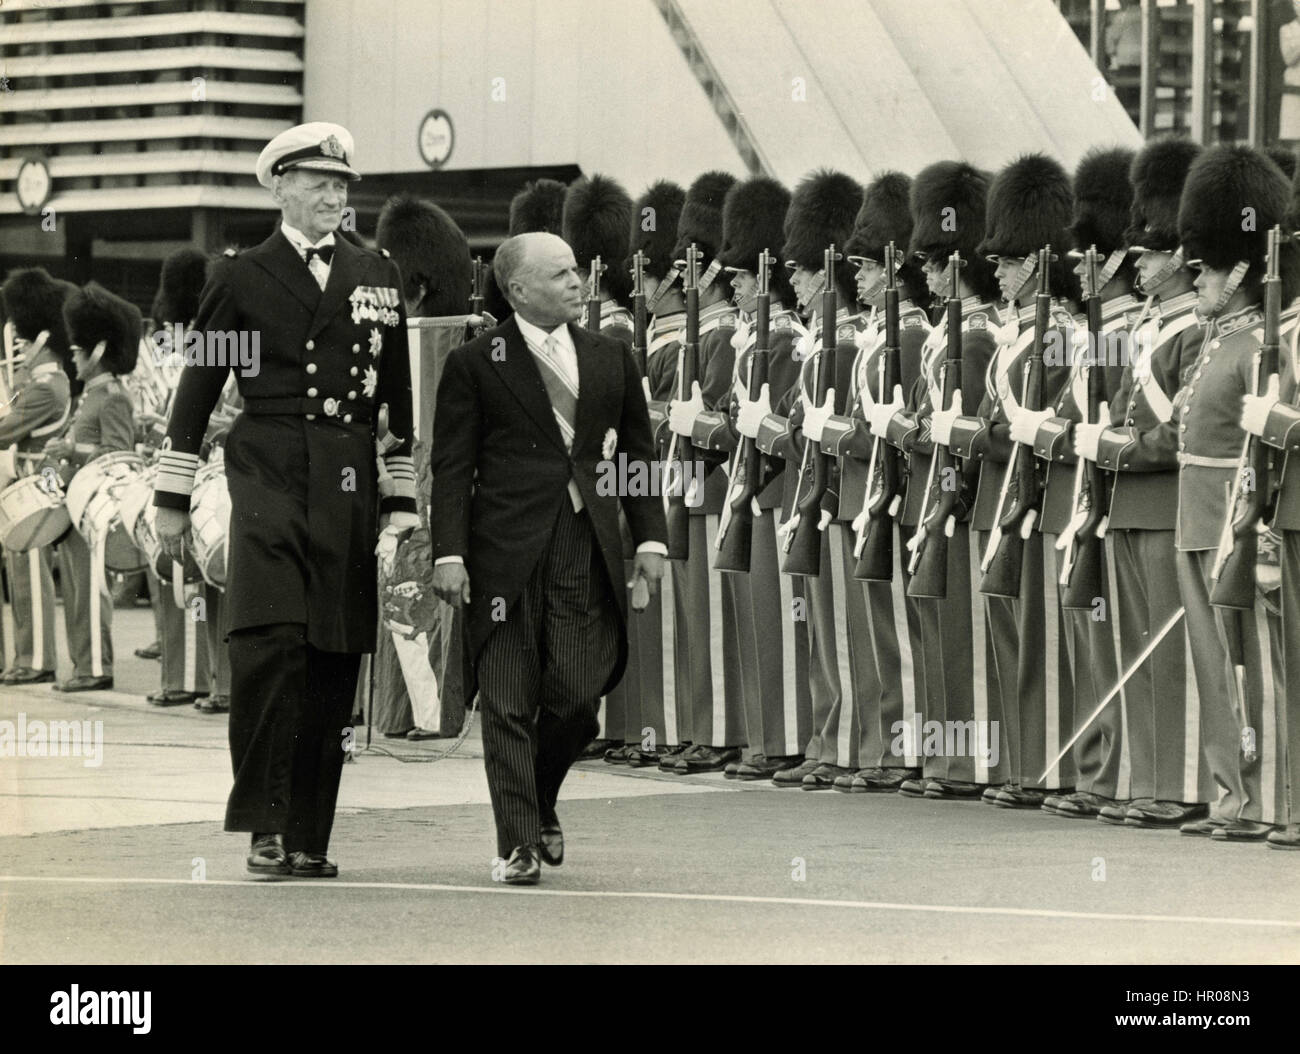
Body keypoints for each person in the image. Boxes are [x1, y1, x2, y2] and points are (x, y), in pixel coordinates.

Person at [153, 122, 419, 878]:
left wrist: (401, 501)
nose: (333, 195)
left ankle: (310, 835)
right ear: (278, 187)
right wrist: (171, 496)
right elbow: (199, 388)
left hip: (347, 481)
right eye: (317, 182)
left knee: (333, 658)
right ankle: (263, 824)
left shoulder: (377, 275)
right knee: (269, 648)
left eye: (342, 184)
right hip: (265, 472)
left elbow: (397, 399)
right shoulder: (241, 277)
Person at [429, 231, 667, 885]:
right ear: (517, 290)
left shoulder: (611, 356)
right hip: (501, 555)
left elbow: (637, 457)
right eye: (559, 273)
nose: (576, 283)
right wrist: (448, 552)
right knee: (506, 701)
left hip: (582, 547)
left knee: (577, 701)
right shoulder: (477, 362)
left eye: (576, 270)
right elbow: (451, 467)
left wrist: (649, 540)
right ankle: (518, 842)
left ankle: (538, 800)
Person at [1077, 137, 1212, 829]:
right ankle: (1147, 779)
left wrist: (1112, 449)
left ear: (1181, 260)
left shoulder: (1192, 331)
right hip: (1129, 506)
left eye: (1154, 255)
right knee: (1135, 652)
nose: (1143, 265)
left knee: (1168, 652)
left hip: (1163, 501)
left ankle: (1179, 783)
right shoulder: (1146, 327)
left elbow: (1174, 433)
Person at [1161, 143, 1290, 841]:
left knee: (1254, 667)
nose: (1197, 277)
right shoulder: (1217, 341)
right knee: (1216, 671)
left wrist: (1257, 530)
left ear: (1240, 268)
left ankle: (1266, 794)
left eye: (1207, 266)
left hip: (1233, 522)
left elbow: (1262, 451)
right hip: (1197, 522)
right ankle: (1231, 793)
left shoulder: (1257, 347)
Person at [1014, 147, 1140, 819]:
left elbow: (1120, 424)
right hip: (1076, 500)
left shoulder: (1128, 334)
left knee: (1108, 641)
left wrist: (1046, 432)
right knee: (1083, 643)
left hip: (1107, 500)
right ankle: (1093, 767)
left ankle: (1112, 772)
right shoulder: (1094, 334)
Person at [48, 282, 139, 692]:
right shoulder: (91, 395)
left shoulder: (114, 397)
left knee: (88, 592)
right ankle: (84, 664)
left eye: (80, 350)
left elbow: (118, 455)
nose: (74, 355)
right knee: (74, 591)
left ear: (98, 350)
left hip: (93, 507)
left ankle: (95, 668)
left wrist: (71, 448)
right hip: (73, 503)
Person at [0, 269, 72, 685]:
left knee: (30, 571)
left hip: (36, 480)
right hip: (23, 476)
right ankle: (26, 655)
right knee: (19, 572)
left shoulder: (48, 385)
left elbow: (6, 428)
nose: (17, 349)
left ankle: (38, 658)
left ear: (43, 339)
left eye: (23, 342)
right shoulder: (37, 381)